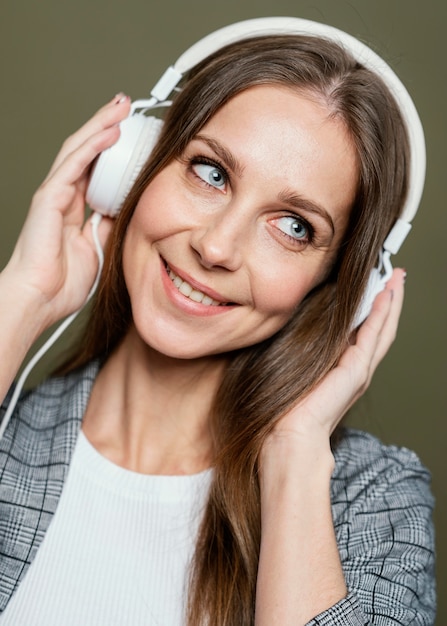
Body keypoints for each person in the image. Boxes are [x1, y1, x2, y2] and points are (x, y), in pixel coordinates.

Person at [0, 17, 435, 626]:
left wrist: (294, 455)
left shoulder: (375, 502)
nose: (217, 247)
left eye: (294, 226)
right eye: (211, 172)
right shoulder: (9, 431)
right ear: (135, 169)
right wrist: (22, 299)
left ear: (343, 288)